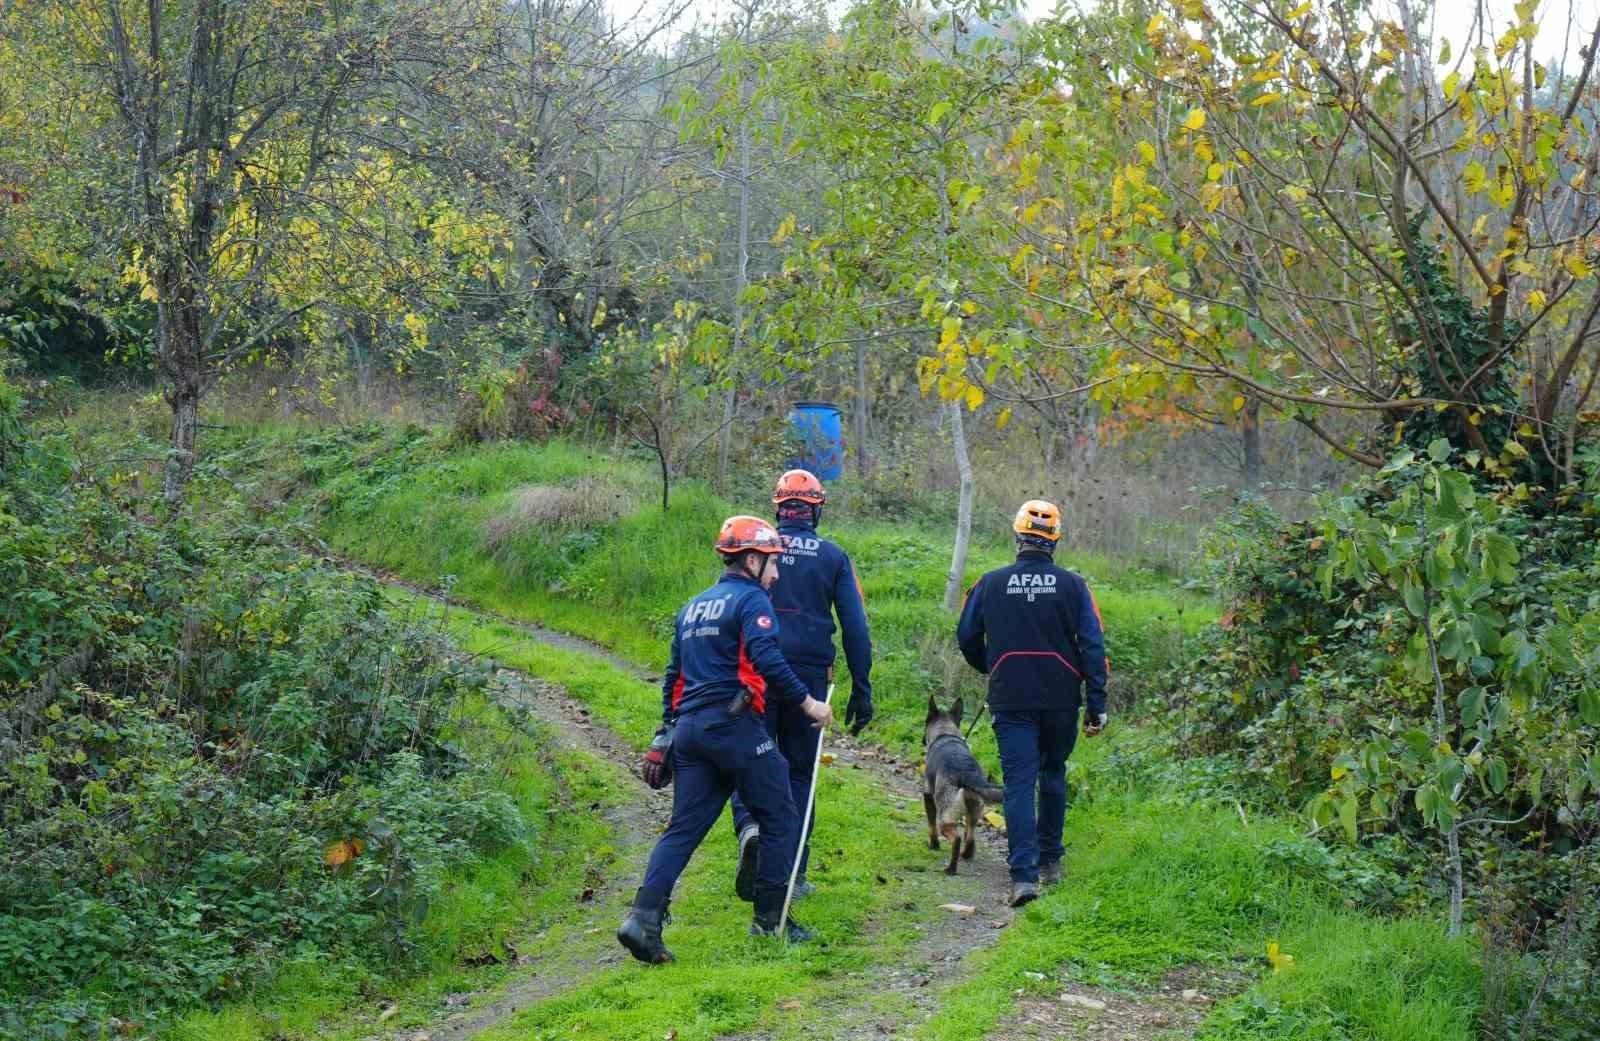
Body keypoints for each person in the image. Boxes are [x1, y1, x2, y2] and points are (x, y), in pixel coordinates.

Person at [617, 515, 835, 964]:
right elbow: (766, 657)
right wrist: (808, 704)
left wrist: (665, 733)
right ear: (751, 560)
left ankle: (641, 921)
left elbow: (673, 680)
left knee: (683, 829)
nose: (777, 574)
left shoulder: (692, 606)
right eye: (772, 563)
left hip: (691, 733)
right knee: (780, 814)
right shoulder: (752, 600)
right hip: (734, 726)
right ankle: (769, 924)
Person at [729, 469, 873, 902]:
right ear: (816, 510)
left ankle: (751, 828)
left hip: (755, 667)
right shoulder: (833, 556)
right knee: (799, 772)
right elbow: (856, 627)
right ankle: (795, 870)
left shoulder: (755, 551)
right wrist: (862, 687)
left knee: (746, 758)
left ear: (778, 507)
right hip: (810, 675)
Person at [955, 500, 1108, 908]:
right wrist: (1097, 703)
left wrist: (991, 666)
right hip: (1060, 698)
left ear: (1017, 535)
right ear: (1054, 540)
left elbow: (966, 636)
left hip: (1010, 695)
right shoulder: (1075, 587)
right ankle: (1051, 861)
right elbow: (1093, 646)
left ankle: (1024, 876)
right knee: (1053, 771)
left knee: (1020, 782)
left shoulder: (989, 583)